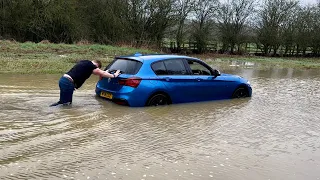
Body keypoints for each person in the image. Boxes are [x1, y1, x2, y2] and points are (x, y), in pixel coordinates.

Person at [50, 59, 120, 106]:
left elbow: (99, 73)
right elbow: (100, 72)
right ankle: (52, 113)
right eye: (97, 68)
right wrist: (114, 75)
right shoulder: (90, 65)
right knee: (66, 104)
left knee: (63, 102)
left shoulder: (84, 62)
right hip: (68, 83)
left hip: (63, 80)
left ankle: (52, 109)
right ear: (96, 66)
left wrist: (104, 72)